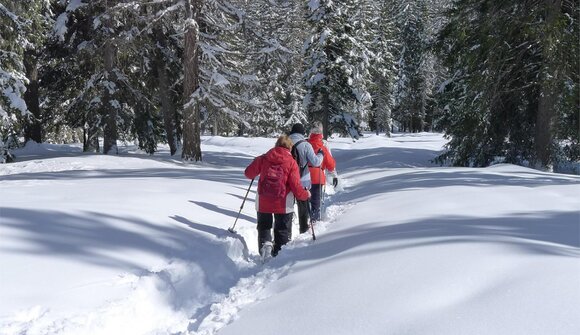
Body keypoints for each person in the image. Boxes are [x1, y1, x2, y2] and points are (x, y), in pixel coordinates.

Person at [244, 134, 311, 258]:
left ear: (276, 145)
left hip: (263, 200)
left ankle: (266, 247)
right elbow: (296, 187)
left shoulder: (264, 158)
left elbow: (248, 173)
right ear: (290, 148)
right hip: (283, 203)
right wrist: (305, 194)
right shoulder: (291, 163)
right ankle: (279, 256)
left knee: (264, 226)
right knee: (282, 230)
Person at [288, 123, 323, 233]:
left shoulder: (284, 142)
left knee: (288, 206)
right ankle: (303, 229)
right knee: (303, 206)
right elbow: (316, 162)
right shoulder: (306, 144)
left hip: (286, 180)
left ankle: (287, 231)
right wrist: (321, 154)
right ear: (302, 133)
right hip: (302, 180)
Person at [307, 122, 338, 222]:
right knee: (316, 201)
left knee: (306, 200)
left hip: (304, 176)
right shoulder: (323, 146)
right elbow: (330, 164)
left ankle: (305, 220)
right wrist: (334, 176)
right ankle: (315, 220)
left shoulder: (305, 144)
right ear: (321, 133)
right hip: (318, 177)